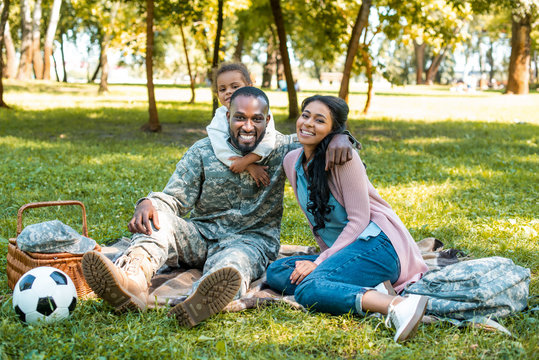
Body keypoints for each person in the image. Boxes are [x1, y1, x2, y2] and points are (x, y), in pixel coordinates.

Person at [81, 87, 356, 328]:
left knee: (233, 264)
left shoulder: (284, 148)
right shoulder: (203, 151)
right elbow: (173, 198)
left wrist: (342, 136)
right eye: (240, 117)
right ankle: (129, 281)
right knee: (158, 220)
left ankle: (200, 299)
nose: (248, 126)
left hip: (252, 240)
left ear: (267, 120)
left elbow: (320, 135)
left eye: (256, 119)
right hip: (201, 235)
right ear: (227, 117)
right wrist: (148, 203)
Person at [265, 95, 430, 343]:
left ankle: (398, 305)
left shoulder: (345, 158)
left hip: (379, 243)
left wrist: (320, 262)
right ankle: (365, 288)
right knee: (278, 271)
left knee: (309, 288)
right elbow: (317, 224)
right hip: (349, 250)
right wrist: (325, 260)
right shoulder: (292, 161)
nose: (308, 123)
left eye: (320, 120)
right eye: (306, 115)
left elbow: (359, 221)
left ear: (334, 129)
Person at [207, 63, 277, 187]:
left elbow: (269, 140)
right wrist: (248, 166)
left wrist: (247, 160)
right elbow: (220, 147)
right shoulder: (219, 116)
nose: (228, 92)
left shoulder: (261, 110)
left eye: (234, 86)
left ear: (249, 87)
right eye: (222, 89)